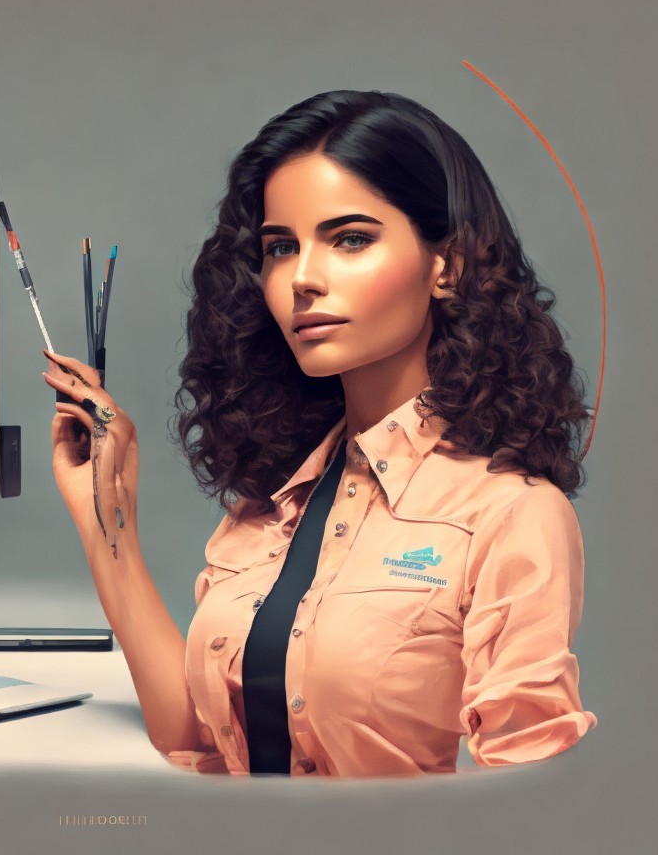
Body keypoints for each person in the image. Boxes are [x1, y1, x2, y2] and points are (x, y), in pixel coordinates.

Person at [41, 89, 597, 778]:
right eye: (281, 248)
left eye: (351, 239)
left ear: (446, 265)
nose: (302, 278)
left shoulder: (510, 515)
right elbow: (196, 740)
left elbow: (531, 801)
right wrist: (107, 513)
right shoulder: (273, 503)